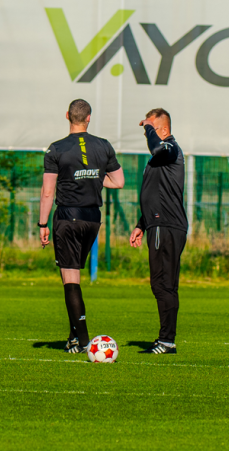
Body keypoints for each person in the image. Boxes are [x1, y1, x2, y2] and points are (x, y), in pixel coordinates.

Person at [38, 99, 125, 353]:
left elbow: (47, 192)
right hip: (92, 219)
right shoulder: (104, 145)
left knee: (70, 278)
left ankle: (86, 342)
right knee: (73, 274)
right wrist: (96, 179)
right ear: (89, 118)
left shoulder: (56, 149)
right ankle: (73, 337)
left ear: (67, 116)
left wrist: (42, 224)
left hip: (68, 217)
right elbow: (118, 181)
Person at [129, 108, 187, 355]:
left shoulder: (170, 148)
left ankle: (167, 341)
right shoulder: (157, 158)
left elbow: (157, 148)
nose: (147, 135)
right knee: (161, 284)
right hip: (157, 225)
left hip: (167, 226)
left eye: (151, 130)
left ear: (163, 130)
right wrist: (142, 224)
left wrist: (151, 128)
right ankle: (166, 340)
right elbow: (155, 194)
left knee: (163, 285)